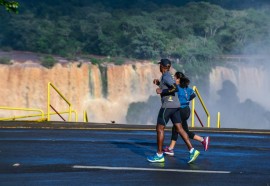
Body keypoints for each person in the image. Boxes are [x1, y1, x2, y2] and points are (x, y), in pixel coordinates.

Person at [147, 59, 200, 164]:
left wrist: (162, 91)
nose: (159, 67)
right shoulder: (169, 76)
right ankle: (192, 150)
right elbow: (169, 86)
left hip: (168, 105)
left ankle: (159, 155)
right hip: (176, 105)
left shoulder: (166, 75)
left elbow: (174, 88)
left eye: (160, 65)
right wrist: (159, 84)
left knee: (159, 128)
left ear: (162, 66)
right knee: (180, 129)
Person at [163, 72, 210, 156]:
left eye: (175, 78)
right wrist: (186, 100)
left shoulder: (176, 87)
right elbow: (193, 95)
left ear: (179, 79)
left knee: (177, 129)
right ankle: (202, 140)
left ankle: (171, 149)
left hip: (180, 110)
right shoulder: (187, 87)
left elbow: (169, 92)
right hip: (187, 110)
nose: (174, 79)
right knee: (183, 130)